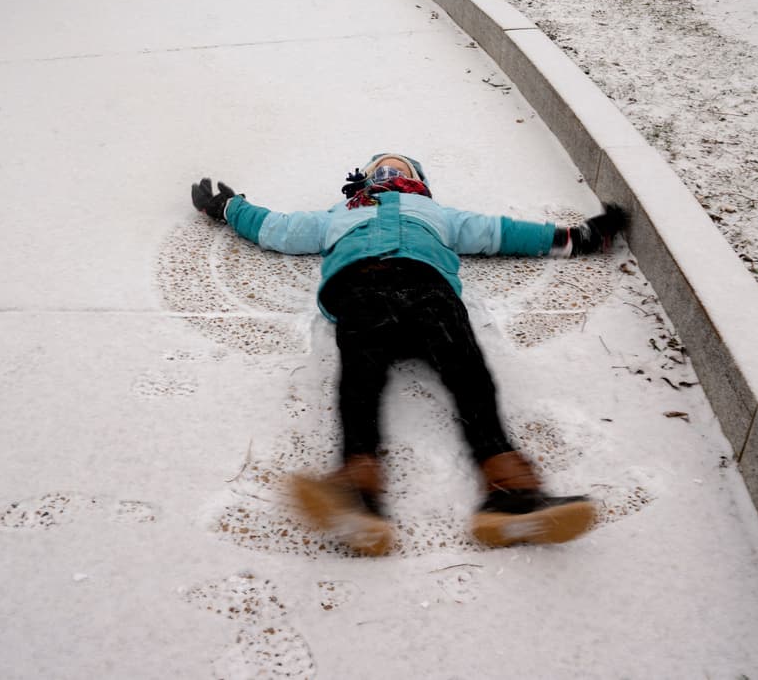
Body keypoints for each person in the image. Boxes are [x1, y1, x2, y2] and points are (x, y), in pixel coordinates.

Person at [191, 153, 627, 556]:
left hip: (428, 289)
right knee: (360, 377)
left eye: (399, 170)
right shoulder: (341, 213)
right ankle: (357, 494)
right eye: (380, 170)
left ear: (419, 182)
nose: (390, 176)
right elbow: (279, 229)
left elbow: (501, 232)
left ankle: (511, 494)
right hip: (360, 287)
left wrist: (578, 237)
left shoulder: (439, 214)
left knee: (468, 372)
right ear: (364, 180)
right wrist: (230, 209)